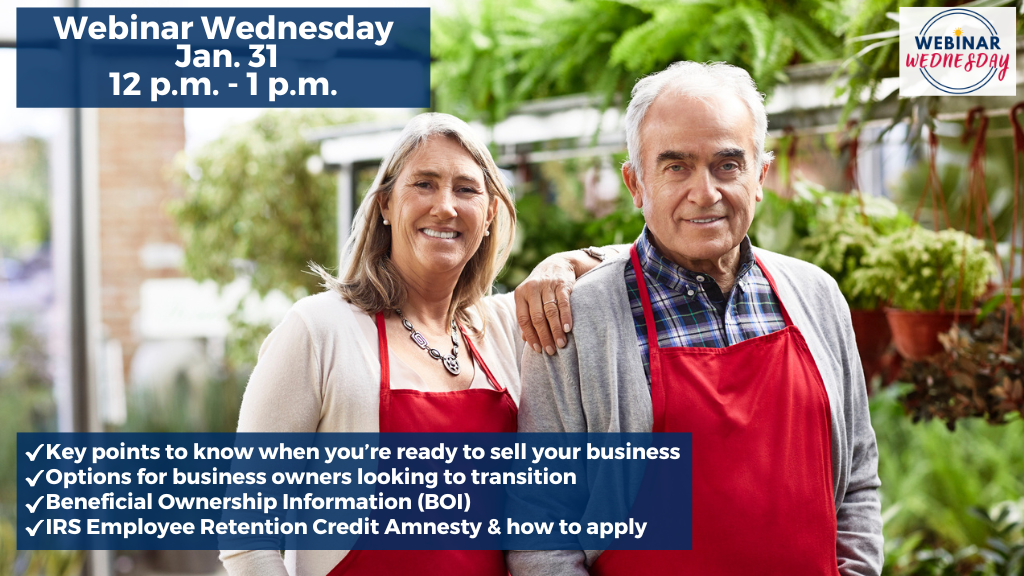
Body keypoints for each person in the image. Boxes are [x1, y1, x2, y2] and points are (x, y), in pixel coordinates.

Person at [511, 62, 883, 576]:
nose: (705, 192)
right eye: (676, 166)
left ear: (760, 178)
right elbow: (542, 525)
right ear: (635, 184)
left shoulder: (816, 296)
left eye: (727, 165)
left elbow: (858, 476)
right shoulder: (576, 320)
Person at [219, 112, 617, 576]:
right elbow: (247, 540)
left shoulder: (507, 328)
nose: (445, 207)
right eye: (424, 184)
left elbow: (646, 254)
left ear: (489, 215)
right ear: (385, 204)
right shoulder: (318, 330)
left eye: (466, 189)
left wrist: (563, 263)